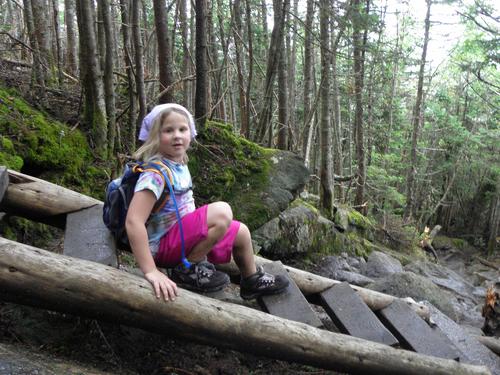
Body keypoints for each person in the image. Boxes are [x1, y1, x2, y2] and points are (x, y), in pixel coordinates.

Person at [125, 103, 289, 302]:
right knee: (222, 212)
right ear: (155, 136)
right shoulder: (155, 174)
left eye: (182, 129)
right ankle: (187, 269)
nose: (177, 135)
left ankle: (251, 280)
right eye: (168, 130)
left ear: (190, 133)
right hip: (162, 246)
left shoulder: (179, 163)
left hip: (181, 237)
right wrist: (150, 270)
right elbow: (133, 221)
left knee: (242, 232)